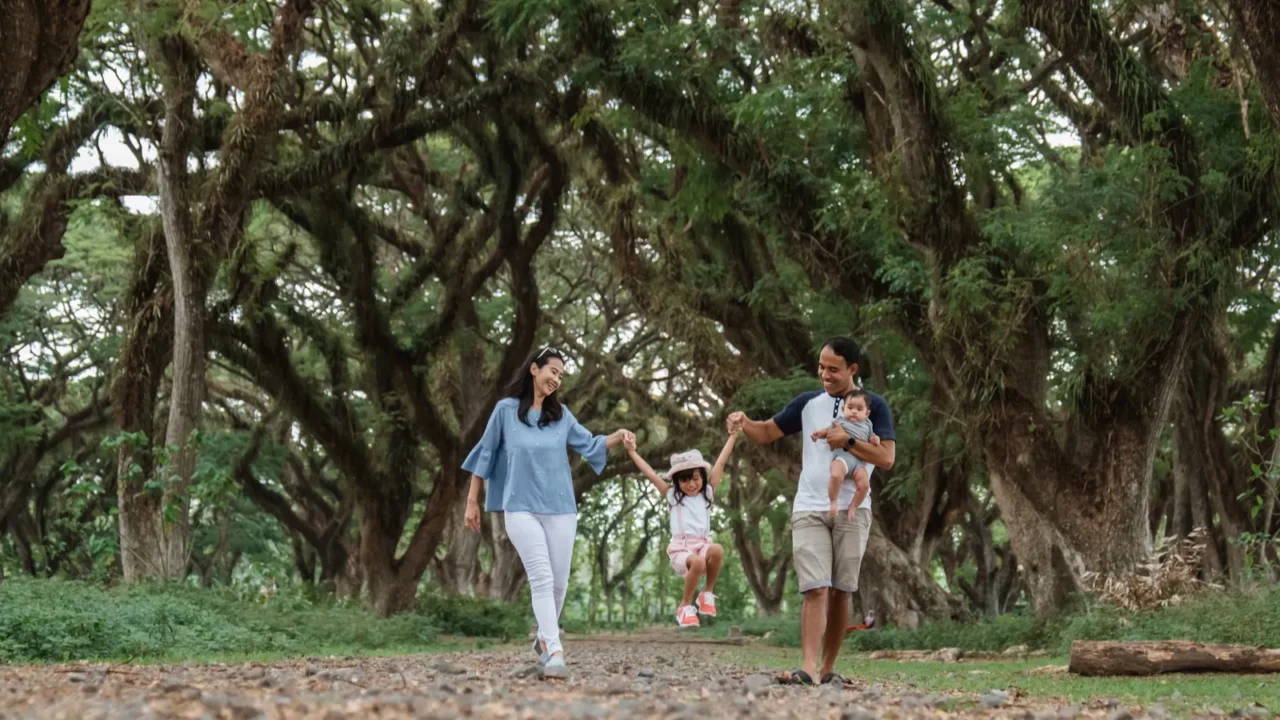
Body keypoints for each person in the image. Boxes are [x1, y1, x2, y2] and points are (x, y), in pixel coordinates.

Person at [727, 337, 895, 686]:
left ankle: (827, 669)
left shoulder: (873, 405)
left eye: (833, 369)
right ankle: (807, 668)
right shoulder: (807, 404)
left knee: (841, 591)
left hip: (853, 511)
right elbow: (767, 432)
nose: (825, 374)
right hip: (809, 507)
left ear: (852, 369)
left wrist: (848, 442)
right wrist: (744, 422)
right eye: (821, 367)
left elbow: (887, 458)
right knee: (815, 588)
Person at [462, 346, 631, 680]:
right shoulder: (505, 411)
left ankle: (543, 638)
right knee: (540, 576)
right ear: (534, 369)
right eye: (553, 371)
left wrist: (618, 436)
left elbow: (590, 444)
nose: (556, 379)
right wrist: (471, 501)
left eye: (561, 376)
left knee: (559, 582)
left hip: (561, 508)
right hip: (520, 507)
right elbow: (486, 453)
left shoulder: (561, 416)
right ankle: (555, 651)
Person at [622, 423, 739, 627]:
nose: (691, 484)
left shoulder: (707, 494)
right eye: (684, 481)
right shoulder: (673, 497)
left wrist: (733, 436)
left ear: (702, 477)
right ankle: (684, 606)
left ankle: (707, 593)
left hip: (703, 546)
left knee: (718, 549)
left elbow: (720, 462)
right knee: (698, 562)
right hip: (682, 550)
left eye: (695, 479)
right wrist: (632, 452)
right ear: (677, 482)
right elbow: (651, 474)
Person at [812, 388, 879, 520]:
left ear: (867, 413)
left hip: (858, 463)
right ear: (843, 409)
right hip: (842, 458)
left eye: (859, 409)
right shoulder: (840, 422)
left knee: (864, 485)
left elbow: (872, 439)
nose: (854, 411)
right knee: (835, 475)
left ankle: (853, 505)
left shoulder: (868, 425)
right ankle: (833, 501)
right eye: (850, 408)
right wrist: (818, 434)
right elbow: (828, 431)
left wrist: (875, 440)